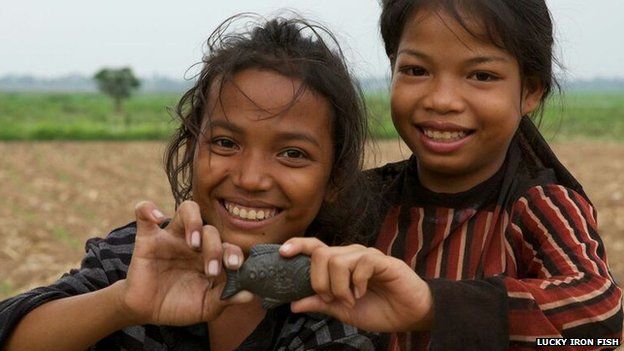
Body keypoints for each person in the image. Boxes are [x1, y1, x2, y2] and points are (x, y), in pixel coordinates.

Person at [0, 14, 381, 351]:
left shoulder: (335, 298)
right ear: (191, 150)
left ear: (334, 178)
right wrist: (123, 303)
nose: (250, 179)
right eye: (225, 143)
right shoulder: (133, 258)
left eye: (292, 154)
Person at [279, 0, 624, 350]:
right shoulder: (363, 199)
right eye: (416, 70)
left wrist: (432, 304)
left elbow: (601, 320)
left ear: (531, 90)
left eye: (481, 76)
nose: (442, 100)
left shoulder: (539, 205)